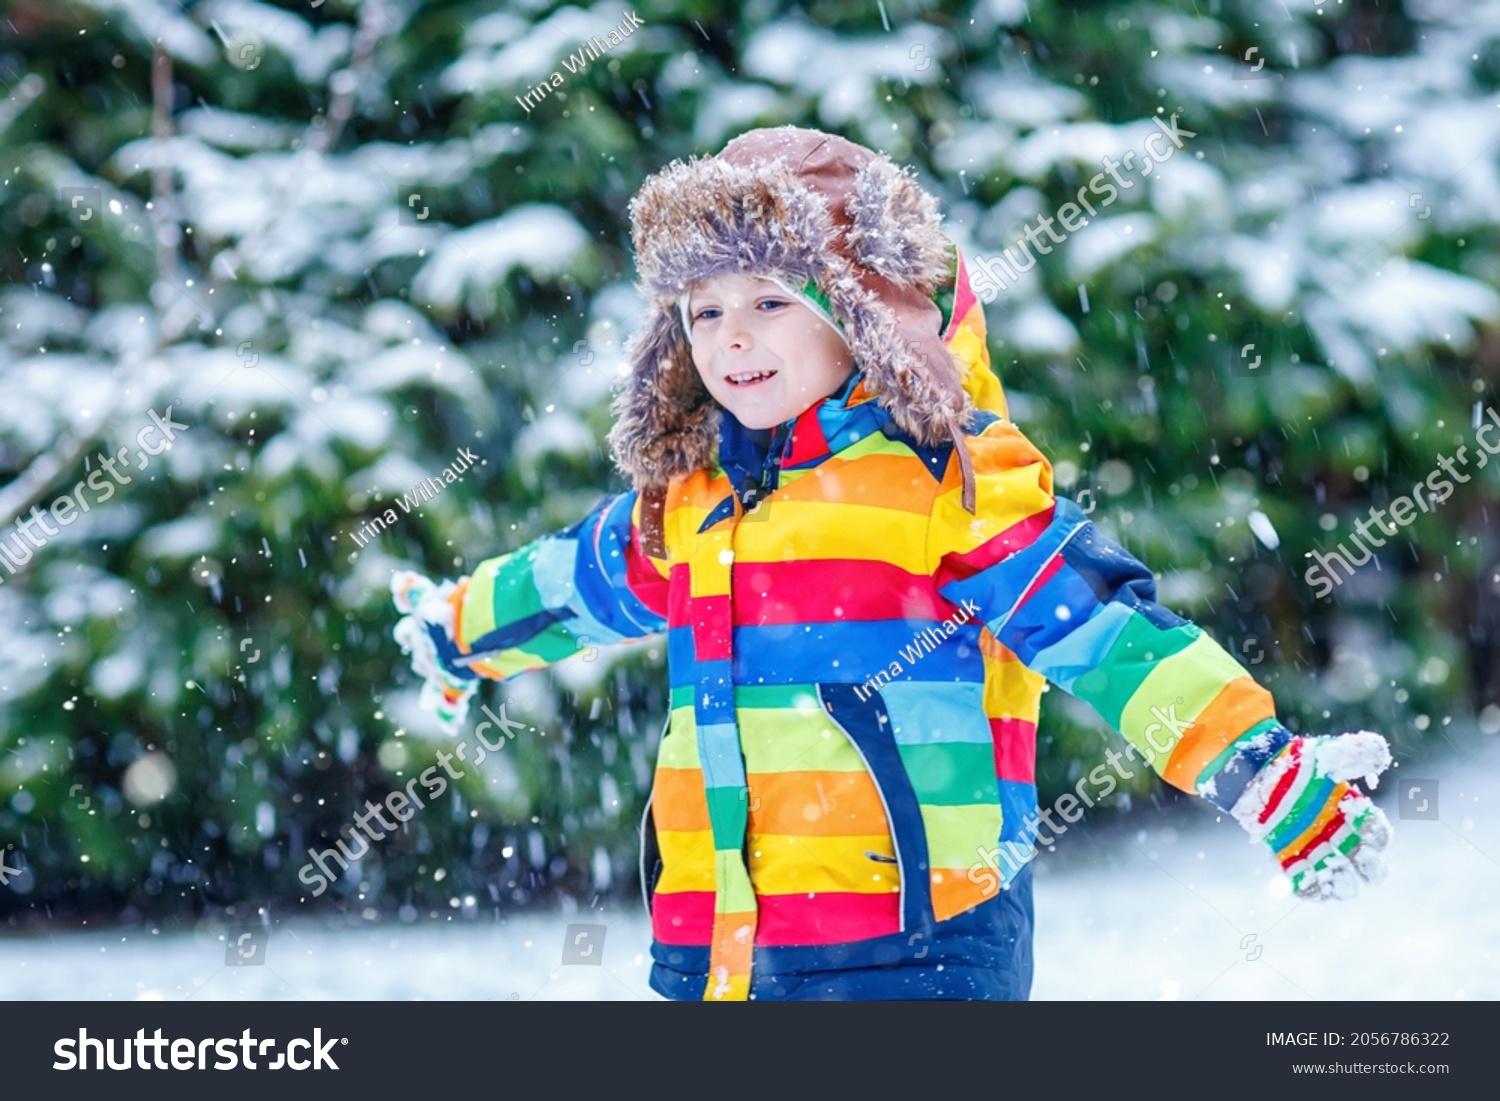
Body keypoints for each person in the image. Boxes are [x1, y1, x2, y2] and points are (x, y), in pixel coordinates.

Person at [391, 126, 1393, 1002]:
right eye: (703, 311)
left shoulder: (948, 483)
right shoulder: (691, 500)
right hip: (723, 951)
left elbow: (1109, 637)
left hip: (919, 944)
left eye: (772, 301)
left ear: (861, 309)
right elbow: (572, 583)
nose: (732, 336)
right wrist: (458, 632)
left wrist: (1264, 771)